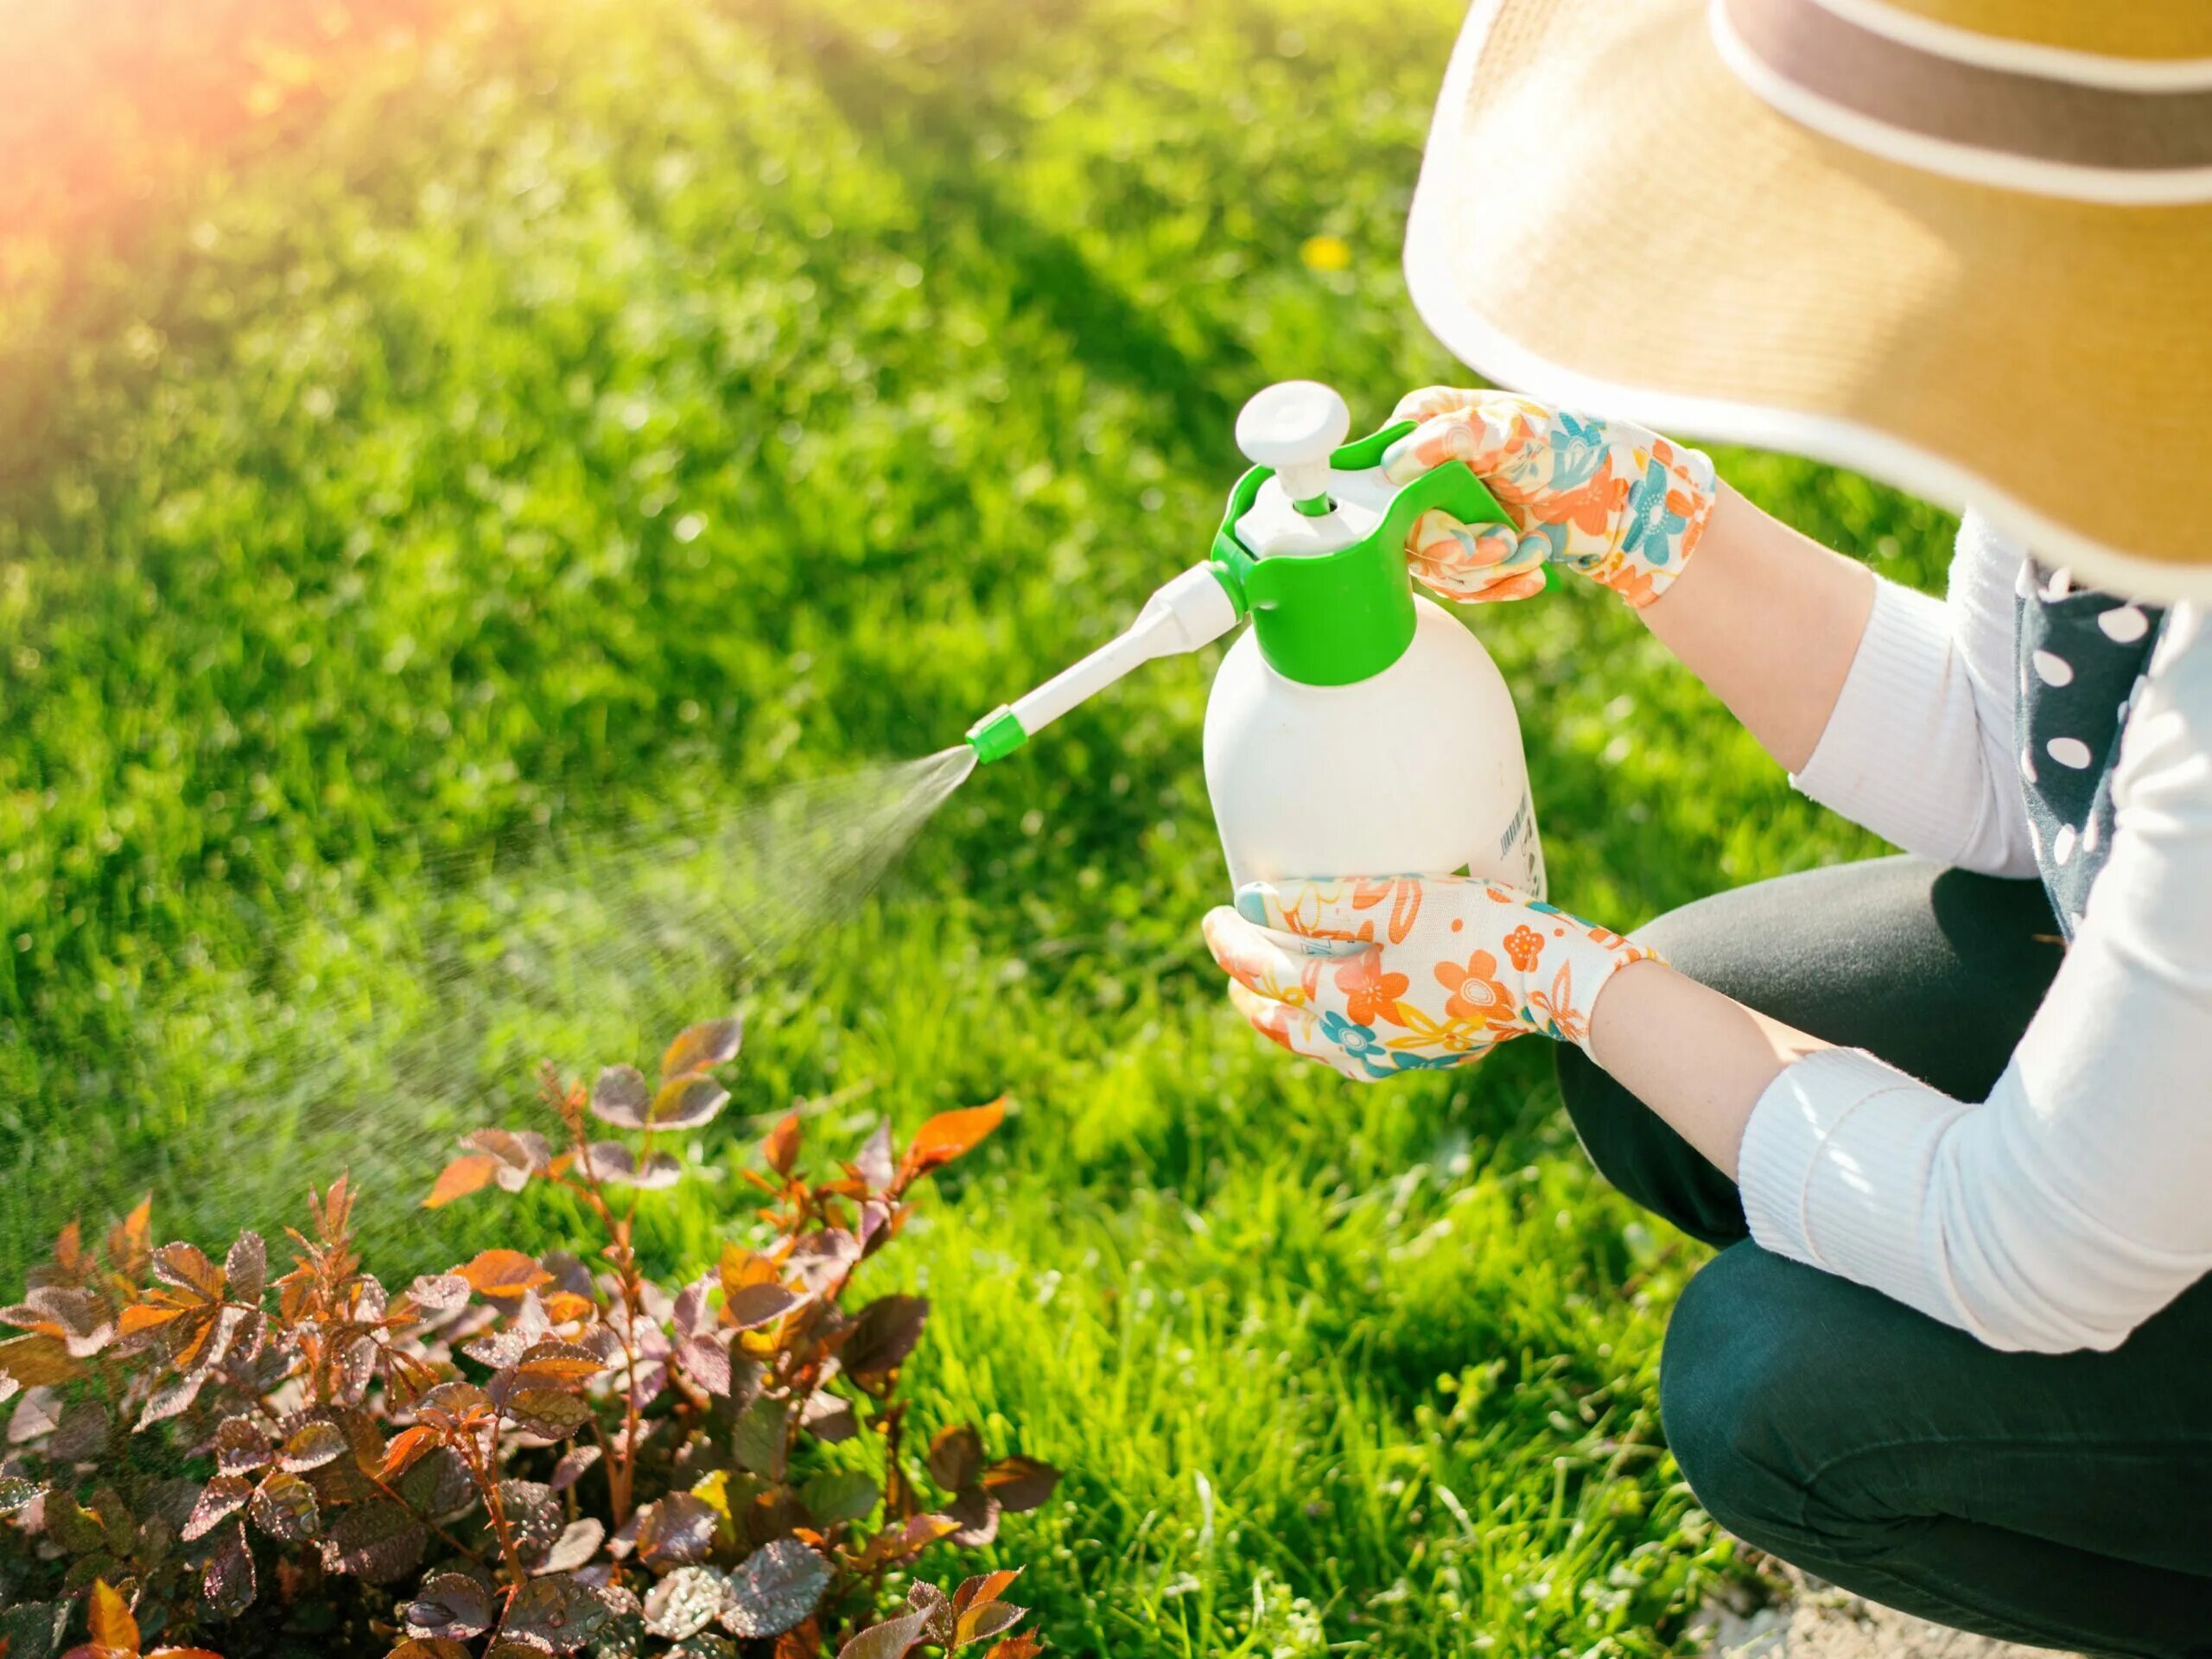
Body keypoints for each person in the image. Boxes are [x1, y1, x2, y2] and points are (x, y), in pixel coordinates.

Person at [1198, 0, 2212, 1652]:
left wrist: (1549, 971)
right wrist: (1644, 515)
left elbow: (2031, 1256)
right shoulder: (2140, 379)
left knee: (1775, 1386)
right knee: (1705, 1015)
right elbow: (2026, 762)